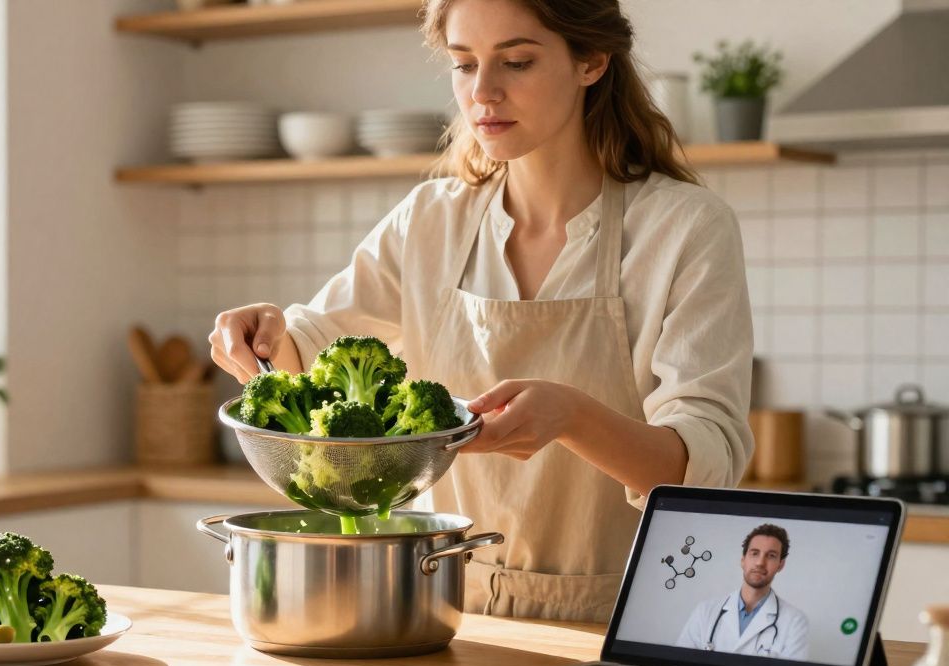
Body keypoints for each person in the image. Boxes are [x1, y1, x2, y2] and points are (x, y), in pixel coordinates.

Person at [208, 0, 753, 623]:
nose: (484, 92)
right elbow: (309, 350)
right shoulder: (430, 221)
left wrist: (572, 416)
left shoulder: (685, 228)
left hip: (628, 620)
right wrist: (262, 335)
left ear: (592, 61)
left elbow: (702, 467)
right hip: (443, 612)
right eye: (464, 65)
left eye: (516, 61)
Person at [675, 524, 810, 659]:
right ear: (743, 560)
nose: (760, 563)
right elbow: (680, 663)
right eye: (755, 553)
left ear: (780, 565)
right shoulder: (705, 611)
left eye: (771, 555)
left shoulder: (795, 622)